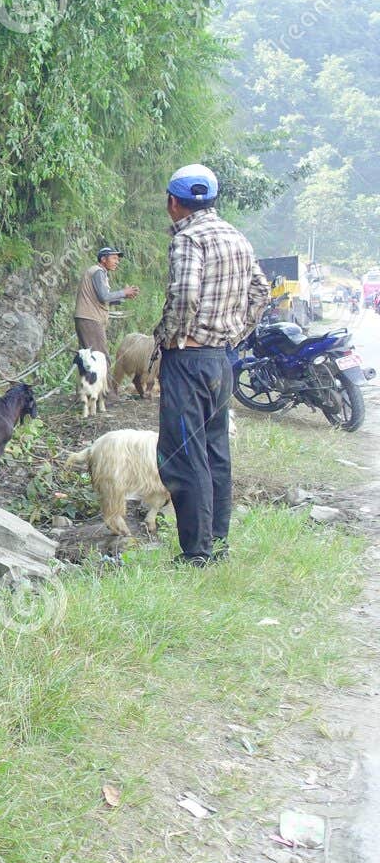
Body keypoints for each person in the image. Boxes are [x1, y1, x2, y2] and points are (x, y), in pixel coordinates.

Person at [151, 163, 270, 568]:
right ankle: (218, 542)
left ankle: (197, 552)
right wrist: (236, 334)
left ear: (173, 202)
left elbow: (184, 295)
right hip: (221, 361)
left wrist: (173, 335)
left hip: (189, 358)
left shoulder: (188, 239)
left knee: (184, 453)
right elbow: (261, 290)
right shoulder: (236, 236)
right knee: (216, 451)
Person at [74, 246, 138, 357]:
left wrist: (124, 297)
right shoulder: (98, 271)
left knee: (90, 359)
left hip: (88, 319)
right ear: (103, 259)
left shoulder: (100, 273)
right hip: (91, 319)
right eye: (114, 258)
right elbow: (104, 297)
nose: (117, 262)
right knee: (101, 358)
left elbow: (101, 299)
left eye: (118, 259)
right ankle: (105, 375)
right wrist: (123, 292)